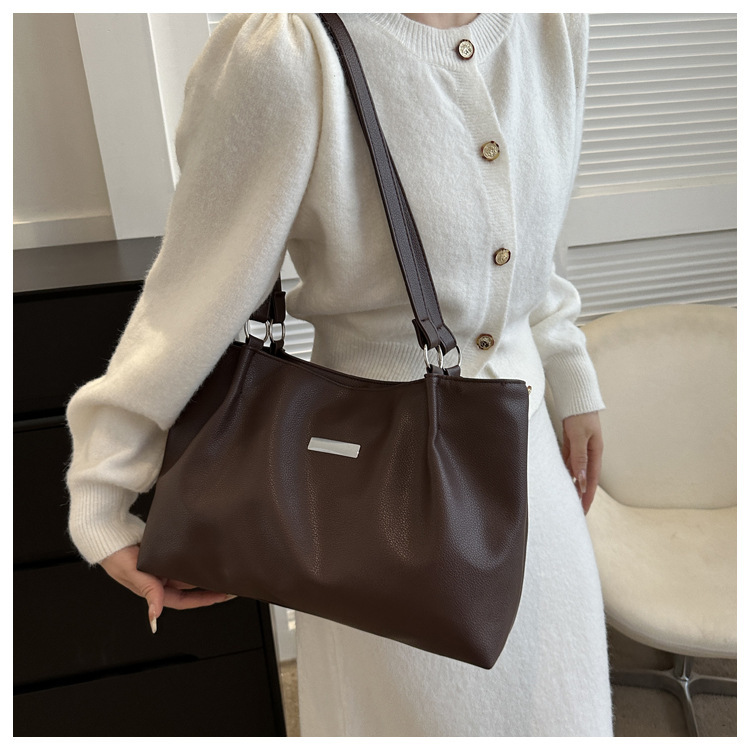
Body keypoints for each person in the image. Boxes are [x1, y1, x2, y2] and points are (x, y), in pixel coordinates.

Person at [65, 13, 613, 736]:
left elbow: (527, 241)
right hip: (370, 492)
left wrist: (568, 365)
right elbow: (194, 292)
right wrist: (102, 488)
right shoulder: (288, 46)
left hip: (531, 461)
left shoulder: (552, 21)